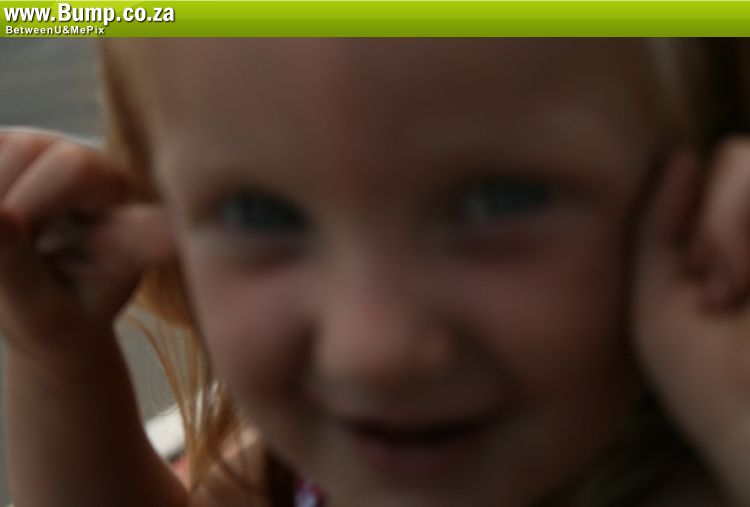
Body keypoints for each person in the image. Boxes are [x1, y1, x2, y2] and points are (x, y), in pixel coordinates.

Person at [2, 39, 750, 507]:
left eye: (501, 200)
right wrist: (62, 363)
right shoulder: (308, 470)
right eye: (261, 212)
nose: (372, 349)